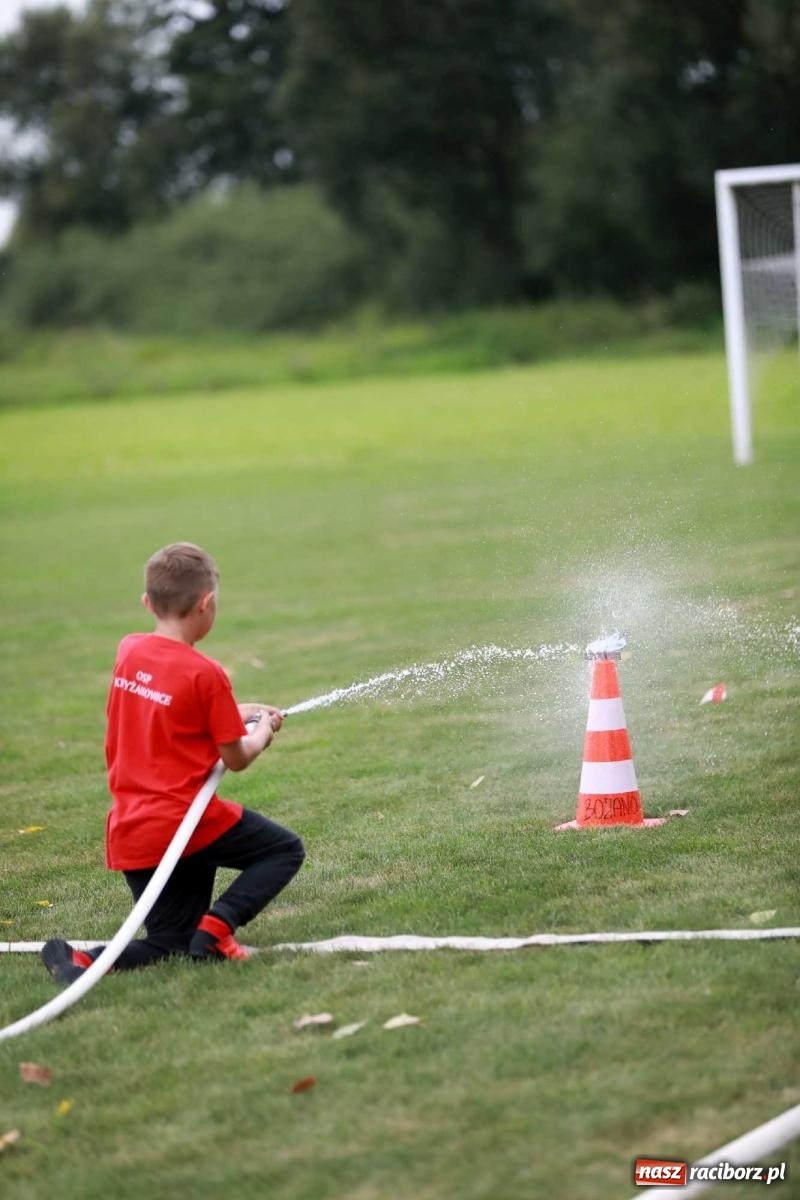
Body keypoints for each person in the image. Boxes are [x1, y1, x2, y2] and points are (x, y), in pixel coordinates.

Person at [42, 542, 305, 986]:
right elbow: (237, 757)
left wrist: (239, 710)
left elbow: (175, 709)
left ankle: (80, 959)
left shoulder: (130, 651)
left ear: (148, 602)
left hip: (133, 830)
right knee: (283, 850)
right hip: (185, 821)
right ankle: (219, 928)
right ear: (207, 604)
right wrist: (262, 730)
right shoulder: (206, 673)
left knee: (171, 941)